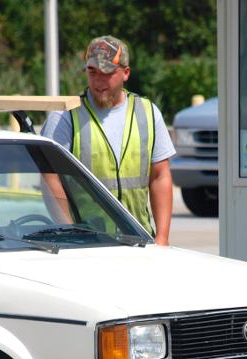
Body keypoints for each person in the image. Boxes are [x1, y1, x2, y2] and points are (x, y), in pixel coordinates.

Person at [41, 35, 176, 245]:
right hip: (86, 245)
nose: (98, 81)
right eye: (92, 71)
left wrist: (162, 238)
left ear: (126, 73)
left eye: (107, 72)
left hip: (140, 242)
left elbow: (160, 175)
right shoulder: (65, 117)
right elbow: (51, 180)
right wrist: (69, 233)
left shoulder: (147, 112)